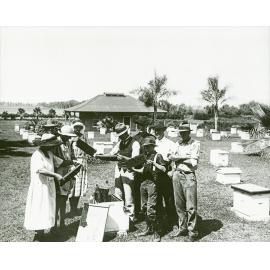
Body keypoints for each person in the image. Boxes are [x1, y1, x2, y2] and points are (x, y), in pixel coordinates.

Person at [24, 134, 64, 241]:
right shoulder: (37, 155)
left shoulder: (49, 154)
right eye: (51, 145)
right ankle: (38, 234)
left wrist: (73, 163)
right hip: (40, 186)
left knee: (47, 208)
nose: (53, 147)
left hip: (49, 186)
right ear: (45, 145)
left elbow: (60, 162)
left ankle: (43, 233)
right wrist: (55, 175)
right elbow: (40, 170)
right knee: (39, 208)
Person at [168, 123, 200, 242]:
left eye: (185, 132)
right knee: (179, 204)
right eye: (181, 132)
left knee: (191, 205)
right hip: (177, 174)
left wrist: (178, 158)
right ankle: (182, 227)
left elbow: (193, 162)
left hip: (188, 175)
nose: (182, 134)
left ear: (189, 132)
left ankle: (192, 231)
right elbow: (170, 156)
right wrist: (183, 157)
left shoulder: (195, 144)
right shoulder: (177, 143)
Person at [133, 137, 166, 242]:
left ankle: (157, 231)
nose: (146, 148)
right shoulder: (145, 156)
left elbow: (164, 169)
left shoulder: (158, 156)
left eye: (148, 147)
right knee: (144, 207)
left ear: (153, 146)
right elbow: (143, 170)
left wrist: (154, 163)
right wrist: (132, 169)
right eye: (145, 147)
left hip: (153, 184)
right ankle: (148, 228)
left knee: (151, 209)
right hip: (143, 183)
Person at [109, 123, 140, 222]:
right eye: (119, 135)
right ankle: (119, 215)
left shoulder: (135, 143)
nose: (121, 137)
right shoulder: (120, 142)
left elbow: (135, 160)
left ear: (126, 132)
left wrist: (123, 158)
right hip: (119, 169)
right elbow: (112, 153)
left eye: (122, 134)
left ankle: (130, 218)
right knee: (118, 193)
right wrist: (102, 155)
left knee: (128, 195)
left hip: (129, 171)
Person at [151, 121, 178, 231]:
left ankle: (173, 222)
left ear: (163, 131)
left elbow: (175, 160)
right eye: (155, 130)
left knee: (169, 199)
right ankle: (159, 222)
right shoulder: (152, 143)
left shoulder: (170, 143)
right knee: (156, 199)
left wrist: (172, 170)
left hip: (166, 172)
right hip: (154, 173)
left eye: (159, 130)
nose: (157, 132)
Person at [52, 125, 77, 230]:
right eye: (66, 136)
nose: (68, 138)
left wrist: (74, 163)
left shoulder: (68, 143)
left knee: (64, 198)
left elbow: (71, 156)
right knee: (58, 200)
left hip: (67, 174)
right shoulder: (56, 144)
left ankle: (62, 221)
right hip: (58, 175)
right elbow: (56, 161)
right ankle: (54, 224)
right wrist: (70, 162)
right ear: (61, 135)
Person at [132, 116, 155, 221]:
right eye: (139, 125)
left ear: (147, 126)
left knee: (151, 190)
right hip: (137, 166)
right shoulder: (134, 138)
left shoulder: (151, 137)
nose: (141, 128)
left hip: (149, 166)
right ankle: (137, 212)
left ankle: (151, 212)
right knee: (136, 190)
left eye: (144, 126)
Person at [69, 120, 88, 216]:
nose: (78, 129)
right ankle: (72, 208)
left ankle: (75, 208)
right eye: (76, 127)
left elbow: (87, 150)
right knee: (72, 187)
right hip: (73, 164)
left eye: (79, 128)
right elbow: (68, 153)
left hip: (82, 164)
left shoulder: (84, 137)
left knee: (79, 187)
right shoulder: (70, 139)